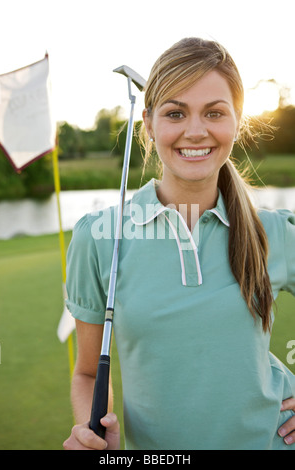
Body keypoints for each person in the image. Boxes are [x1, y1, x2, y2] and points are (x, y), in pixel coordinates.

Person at [63, 37, 295, 450]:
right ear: (149, 125)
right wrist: (92, 434)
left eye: (214, 112)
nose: (195, 130)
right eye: (175, 112)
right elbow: (85, 373)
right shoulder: (98, 238)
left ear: (237, 121)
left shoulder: (275, 232)